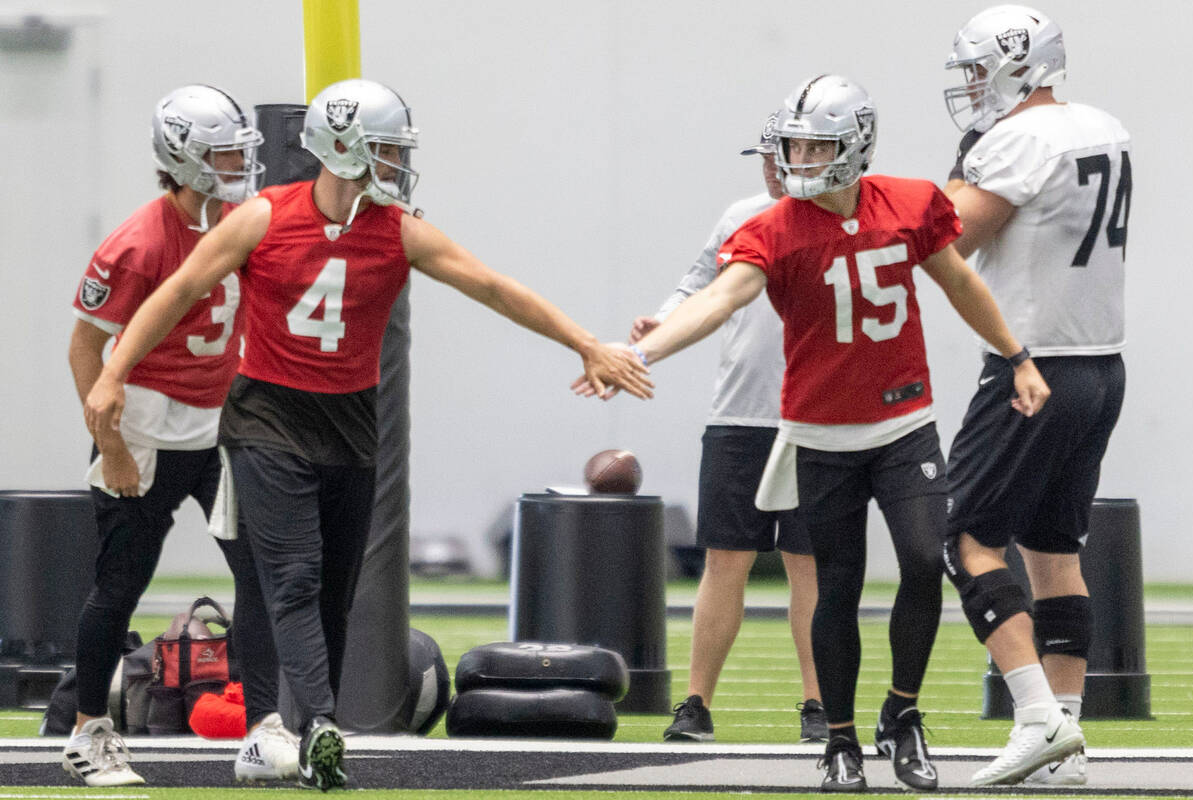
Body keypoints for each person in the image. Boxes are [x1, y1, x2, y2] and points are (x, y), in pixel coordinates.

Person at [83, 78, 652, 791]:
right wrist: (115, 373)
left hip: (350, 420)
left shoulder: (399, 229)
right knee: (293, 574)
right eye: (382, 147)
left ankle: (292, 729)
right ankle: (319, 724)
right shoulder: (262, 217)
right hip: (267, 417)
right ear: (342, 148)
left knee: (334, 592)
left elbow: (494, 287)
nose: (393, 161)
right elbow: (176, 294)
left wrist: (584, 343)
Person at [584, 74, 1050, 793]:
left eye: (816, 144)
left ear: (856, 144)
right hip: (822, 433)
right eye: (794, 142)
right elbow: (719, 299)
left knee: (926, 561)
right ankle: (839, 740)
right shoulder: (771, 226)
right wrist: (638, 354)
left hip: (904, 422)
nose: (800, 157)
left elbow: (958, 281)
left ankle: (903, 714)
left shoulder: (909, 202)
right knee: (837, 586)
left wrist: (1016, 355)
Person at [63, 85, 296, 787]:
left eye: (239, 150)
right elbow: (84, 350)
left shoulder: (245, 218)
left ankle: (262, 729)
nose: (236, 163)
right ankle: (87, 733)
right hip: (148, 422)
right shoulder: (137, 243)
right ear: (183, 159)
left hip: (225, 419)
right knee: (120, 583)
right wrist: (112, 446)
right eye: (222, 152)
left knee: (257, 572)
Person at [939, 4, 1128, 786]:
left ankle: (1036, 720)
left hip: (1031, 368)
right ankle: (1067, 744)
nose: (972, 85)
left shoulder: (1016, 139)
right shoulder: (1104, 124)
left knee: (967, 540)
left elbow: (951, 238)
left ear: (1019, 63)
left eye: (980, 68)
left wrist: (960, 167)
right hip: (1102, 365)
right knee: (1054, 552)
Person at [635, 113, 826, 744]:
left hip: (815, 415)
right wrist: (658, 325)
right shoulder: (742, 214)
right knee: (725, 560)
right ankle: (695, 703)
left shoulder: (839, 218)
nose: (771, 167)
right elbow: (697, 284)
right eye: (767, 155)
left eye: (783, 153)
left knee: (810, 565)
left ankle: (819, 703)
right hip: (740, 413)